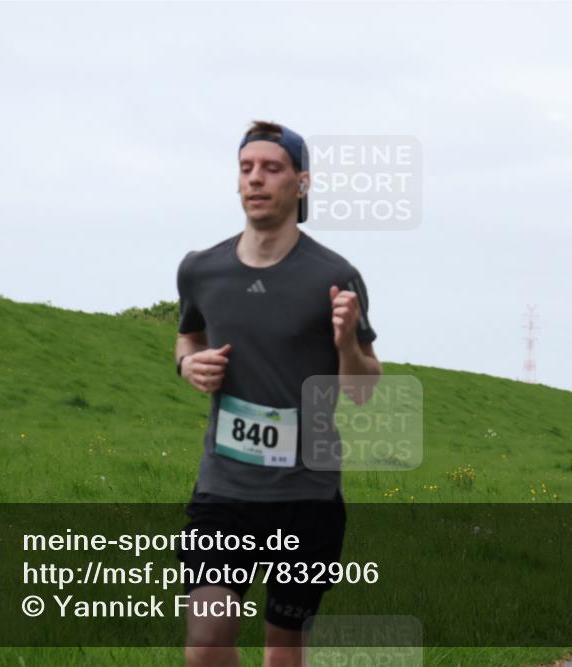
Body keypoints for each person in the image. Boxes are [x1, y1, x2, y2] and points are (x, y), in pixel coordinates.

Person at [174, 121, 382, 667]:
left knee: (283, 646)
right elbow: (188, 334)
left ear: (302, 182)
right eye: (246, 169)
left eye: (271, 168)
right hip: (224, 487)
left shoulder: (335, 276)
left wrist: (345, 342)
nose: (256, 180)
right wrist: (186, 364)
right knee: (206, 641)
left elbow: (362, 389)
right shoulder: (202, 269)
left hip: (306, 493)